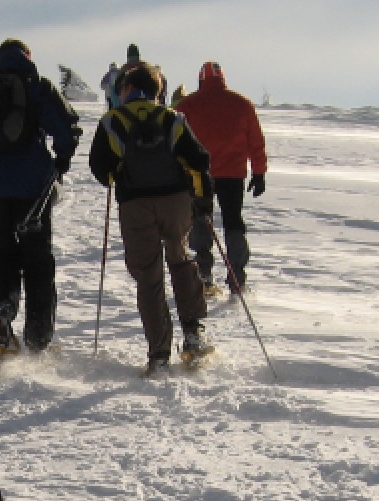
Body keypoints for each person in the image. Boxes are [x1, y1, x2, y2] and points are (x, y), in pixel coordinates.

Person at [88, 62, 215, 375]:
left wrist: (116, 174)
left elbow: (100, 169)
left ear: (129, 88)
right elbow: (199, 160)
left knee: (148, 275)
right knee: (181, 260)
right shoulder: (172, 118)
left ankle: (159, 353)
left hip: (135, 205)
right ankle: (193, 334)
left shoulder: (112, 121)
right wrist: (202, 202)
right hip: (175, 202)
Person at [0, 38, 81, 353]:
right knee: (37, 258)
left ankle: (2, 311)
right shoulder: (36, 86)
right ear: (27, 56)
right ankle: (38, 337)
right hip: (32, 187)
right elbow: (66, 127)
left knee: (1, 254)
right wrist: (61, 161)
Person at [176, 61, 268, 293]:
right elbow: (256, 141)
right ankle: (237, 275)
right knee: (233, 221)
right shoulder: (242, 104)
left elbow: (176, 140)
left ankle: (203, 272)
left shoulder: (188, 105)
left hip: (198, 174)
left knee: (200, 219)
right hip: (232, 174)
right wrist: (259, 172)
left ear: (201, 79)